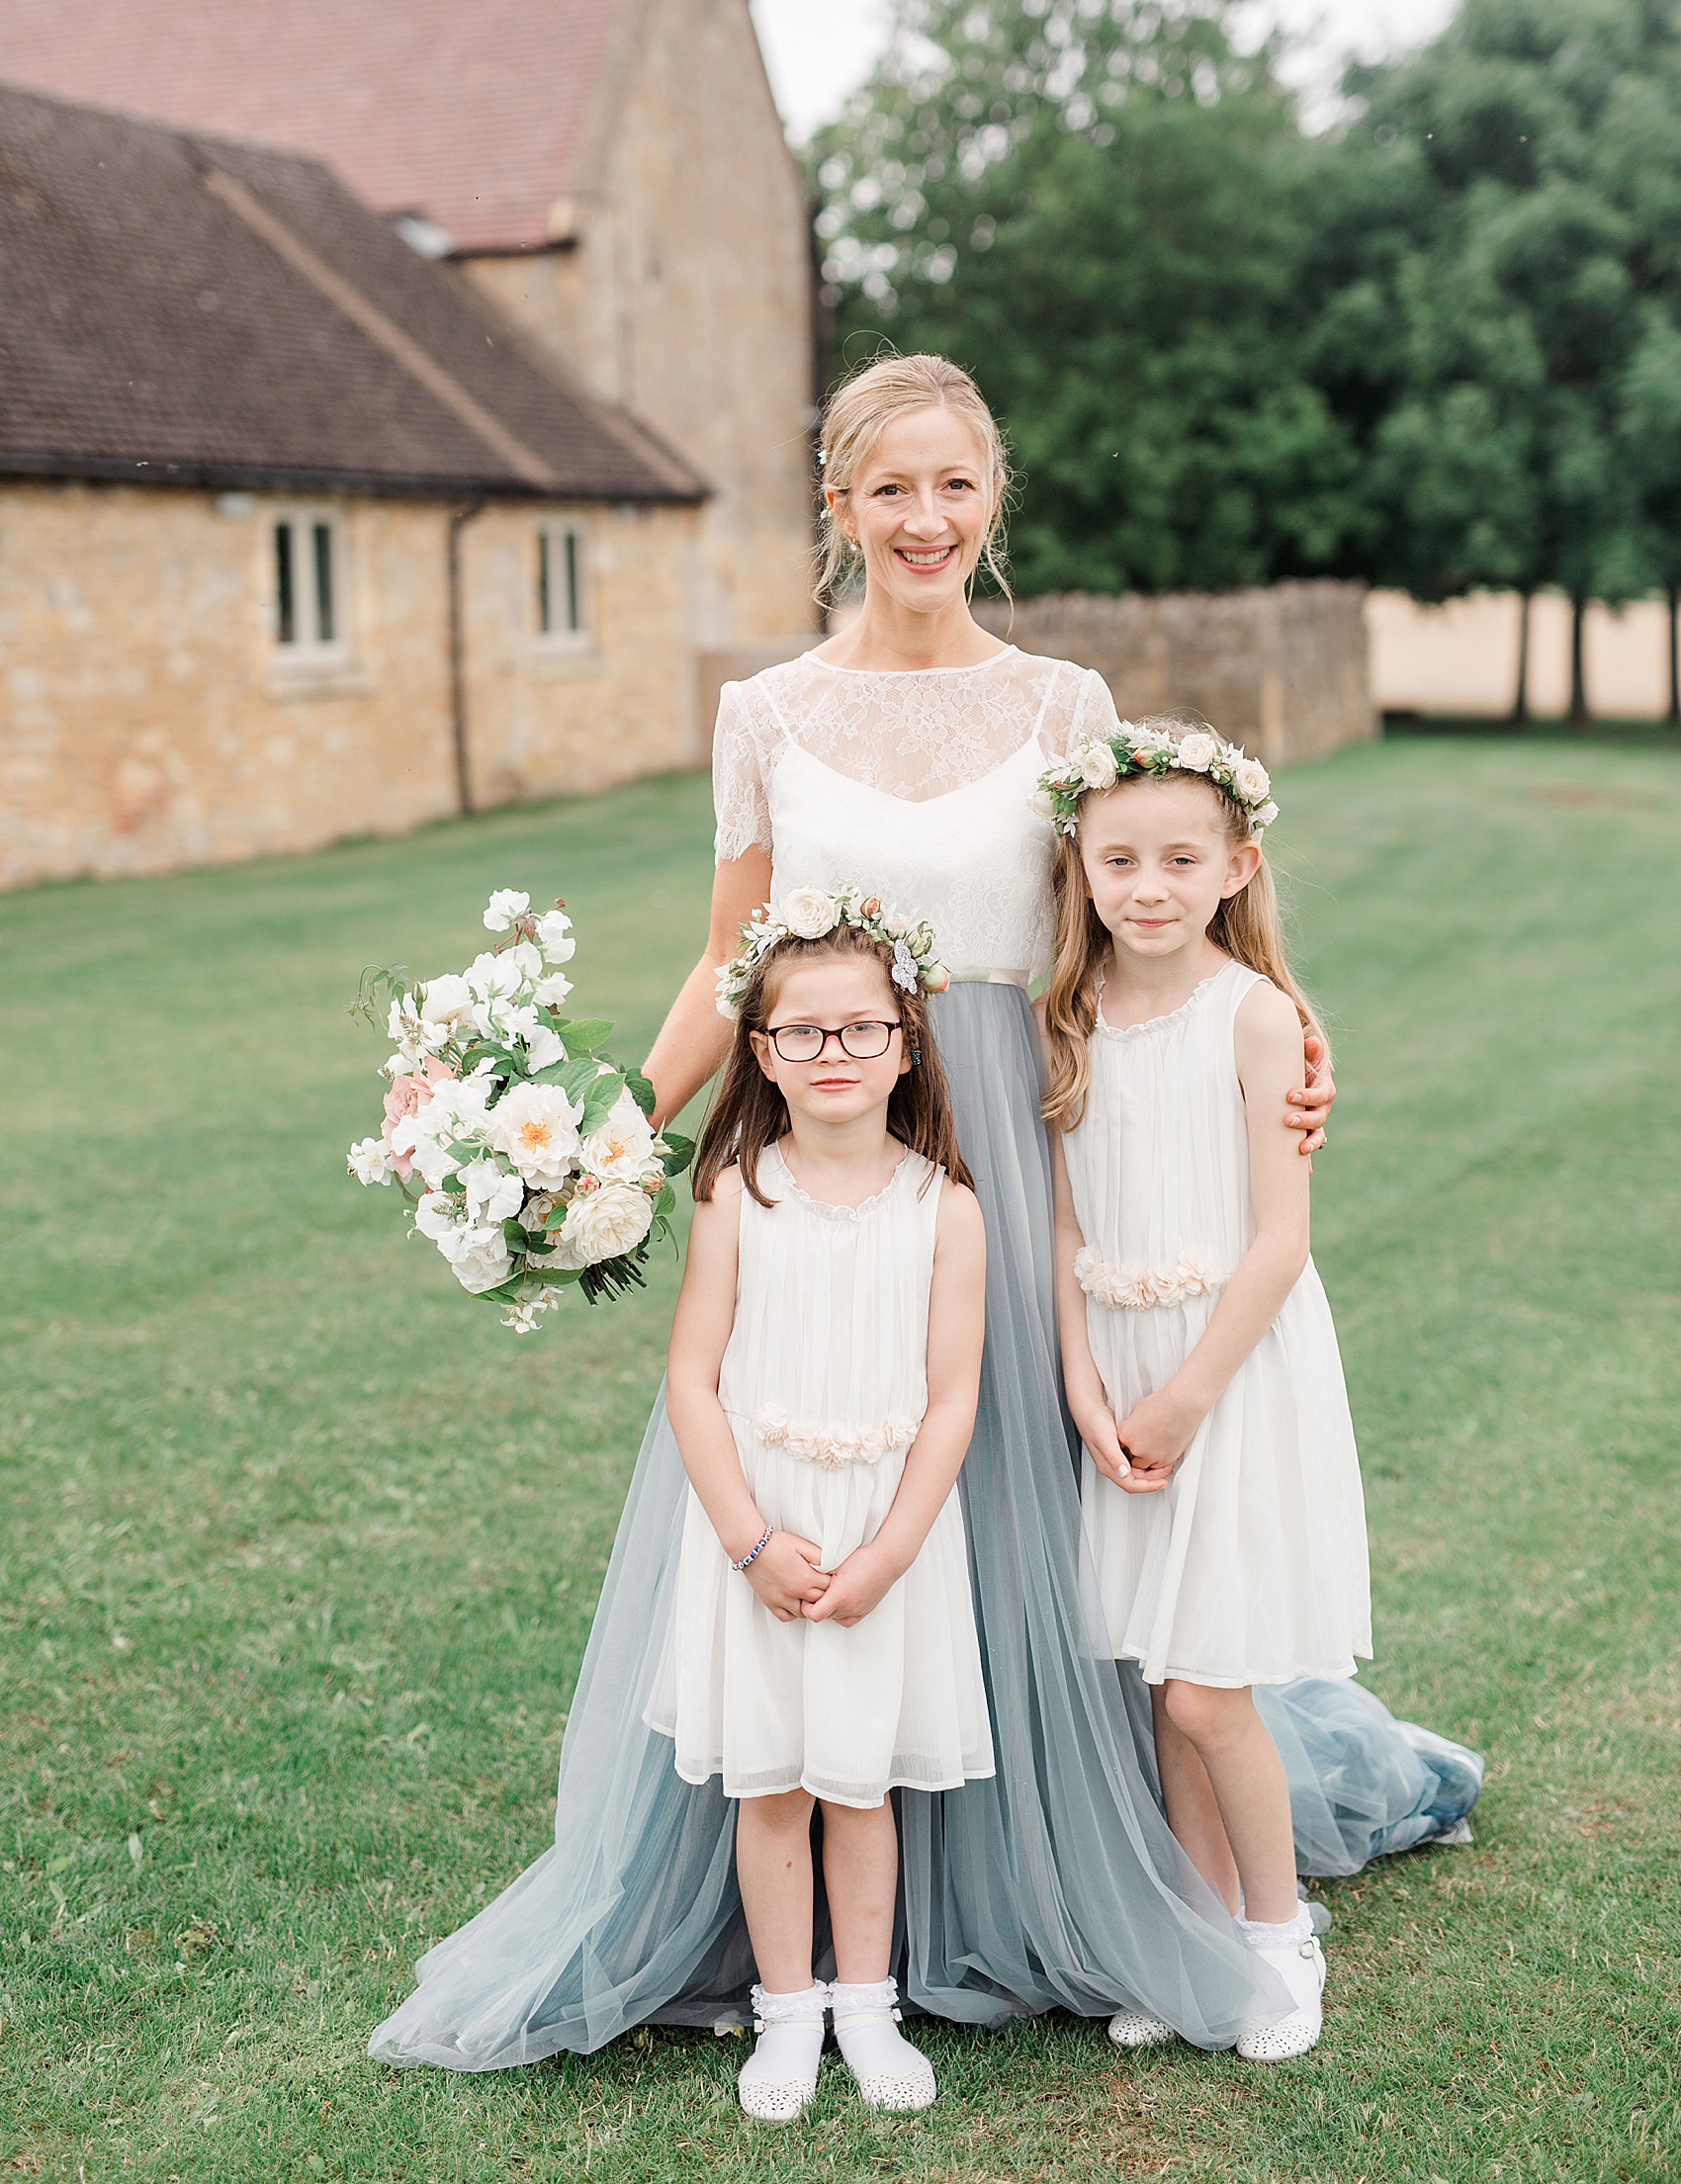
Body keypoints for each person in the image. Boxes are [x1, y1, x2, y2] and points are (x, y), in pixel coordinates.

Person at [368, 352, 1475, 2076]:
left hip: (1024, 1157)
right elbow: (725, 969)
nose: (926, 520)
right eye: (891, 488)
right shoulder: (765, 714)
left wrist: (1295, 1034)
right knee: (828, 1465)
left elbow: (1145, 910)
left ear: (993, 502)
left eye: (957, 486)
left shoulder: (1060, 705)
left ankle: (1074, 1868)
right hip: (829, 1149)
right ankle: (809, 1925)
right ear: (837, 507)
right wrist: (588, 1142)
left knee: (1039, 1514)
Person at [1040, 717, 1371, 2060]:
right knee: (1156, 1669)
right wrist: (1084, 1379)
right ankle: (1199, 1930)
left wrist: (1182, 1396)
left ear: (1236, 863)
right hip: (1116, 1367)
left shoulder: (1257, 1015)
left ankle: (1281, 1935)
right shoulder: (1064, 1018)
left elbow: (1281, 1239)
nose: (1149, 886)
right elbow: (1063, 1226)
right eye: (1120, 859)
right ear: (1083, 863)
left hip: (1226, 1369)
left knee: (1204, 1688)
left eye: (1182, 858)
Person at [660, 895, 990, 2118]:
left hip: (881, 1541)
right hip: (760, 1530)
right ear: (760, 1053)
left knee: (861, 1786)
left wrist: (890, 1551)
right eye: (802, 1034)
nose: (834, 1054)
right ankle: (784, 2016)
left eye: (861, 1030)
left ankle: (866, 2006)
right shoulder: (736, 1197)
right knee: (773, 1787)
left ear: (907, 1043)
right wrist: (747, 1541)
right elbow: (692, 1379)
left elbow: (951, 1401)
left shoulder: (944, 1207)